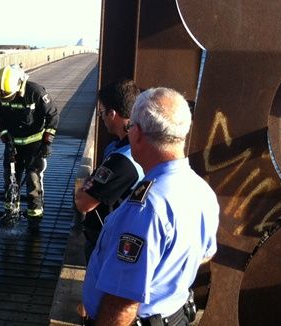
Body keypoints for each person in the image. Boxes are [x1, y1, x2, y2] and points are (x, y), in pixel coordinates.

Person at [81, 87, 219, 326]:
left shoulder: (146, 209)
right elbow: (206, 254)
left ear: (138, 134)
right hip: (175, 315)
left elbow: (122, 302)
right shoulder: (201, 190)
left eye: (130, 126)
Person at [74, 79, 144, 262]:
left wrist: (84, 187)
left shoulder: (123, 160)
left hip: (109, 244)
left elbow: (83, 203)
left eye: (102, 112)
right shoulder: (130, 146)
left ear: (113, 114)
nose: (102, 117)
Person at [0, 64, 59, 231]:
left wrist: (46, 143)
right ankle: (11, 213)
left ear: (20, 84)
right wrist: (6, 139)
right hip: (13, 143)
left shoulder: (36, 92)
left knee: (33, 178)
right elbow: (1, 119)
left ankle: (34, 216)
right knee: (10, 178)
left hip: (34, 145)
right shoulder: (1, 94)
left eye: (9, 95)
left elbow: (52, 115)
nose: (6, 98)